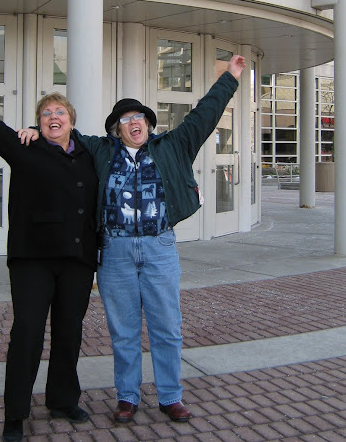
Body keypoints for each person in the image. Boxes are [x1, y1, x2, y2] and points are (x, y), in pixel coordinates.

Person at [19, 55, 245, 423]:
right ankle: (127, 396)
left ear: (149, 124)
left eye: (139, 117)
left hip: (159, 247)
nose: (133, 123)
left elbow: (206, 112)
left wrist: (231, 76)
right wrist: (34, 128)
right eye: (125, 120)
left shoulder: (174, 145)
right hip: (116, 251)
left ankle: (170, 396)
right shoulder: (100, 150)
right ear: (115, 129)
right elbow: (61, 131)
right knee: (123, 330)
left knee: (166, 327)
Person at [0, 93, 98, 442]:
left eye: (60, 111)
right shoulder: (25, 146)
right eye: (46, 112)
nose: (54, 116)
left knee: (69, 334)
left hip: (77, 261)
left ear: (72, 119)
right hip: (32, 259)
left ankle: (62, 400)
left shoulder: (90, 154)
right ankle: (15, 414)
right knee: (27, 334)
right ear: (37, 122)